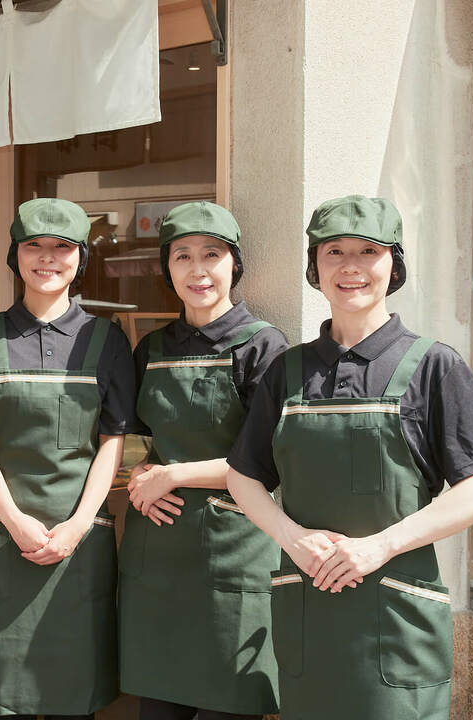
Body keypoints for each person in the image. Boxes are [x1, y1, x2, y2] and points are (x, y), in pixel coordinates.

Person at [225, 195, 473, 720]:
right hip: (309, 615)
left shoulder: (434, 367)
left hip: (396, 617)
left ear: (394, 265)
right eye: (334, 251)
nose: (351, 267)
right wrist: (293, 538)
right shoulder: (287, 373)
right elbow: (243, 478)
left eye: (369, 251)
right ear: (314, 267)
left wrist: (379, 547)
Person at [0, 198, 137, 719]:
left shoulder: (107, 340)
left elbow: (112, 442)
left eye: (63, 247)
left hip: (80, 543)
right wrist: (15, 520)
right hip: (1, 538)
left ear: (81, 258)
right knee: (2, 697)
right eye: (35, 245)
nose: (48, 258)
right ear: (15, 255)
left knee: (74, 698)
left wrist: (78, 525)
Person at [120, 202, 288, 720]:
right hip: (160, 548)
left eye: (211, 255)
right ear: (166, 269)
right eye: (182, 256)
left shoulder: (262, 346)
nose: (198, 270)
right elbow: (134, 439)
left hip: (234, 544)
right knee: (158, 705)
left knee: (229, 701)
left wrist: (174, 474)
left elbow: (271, 459)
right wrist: (141, 475)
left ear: (234, 264)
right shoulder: (150, 349)